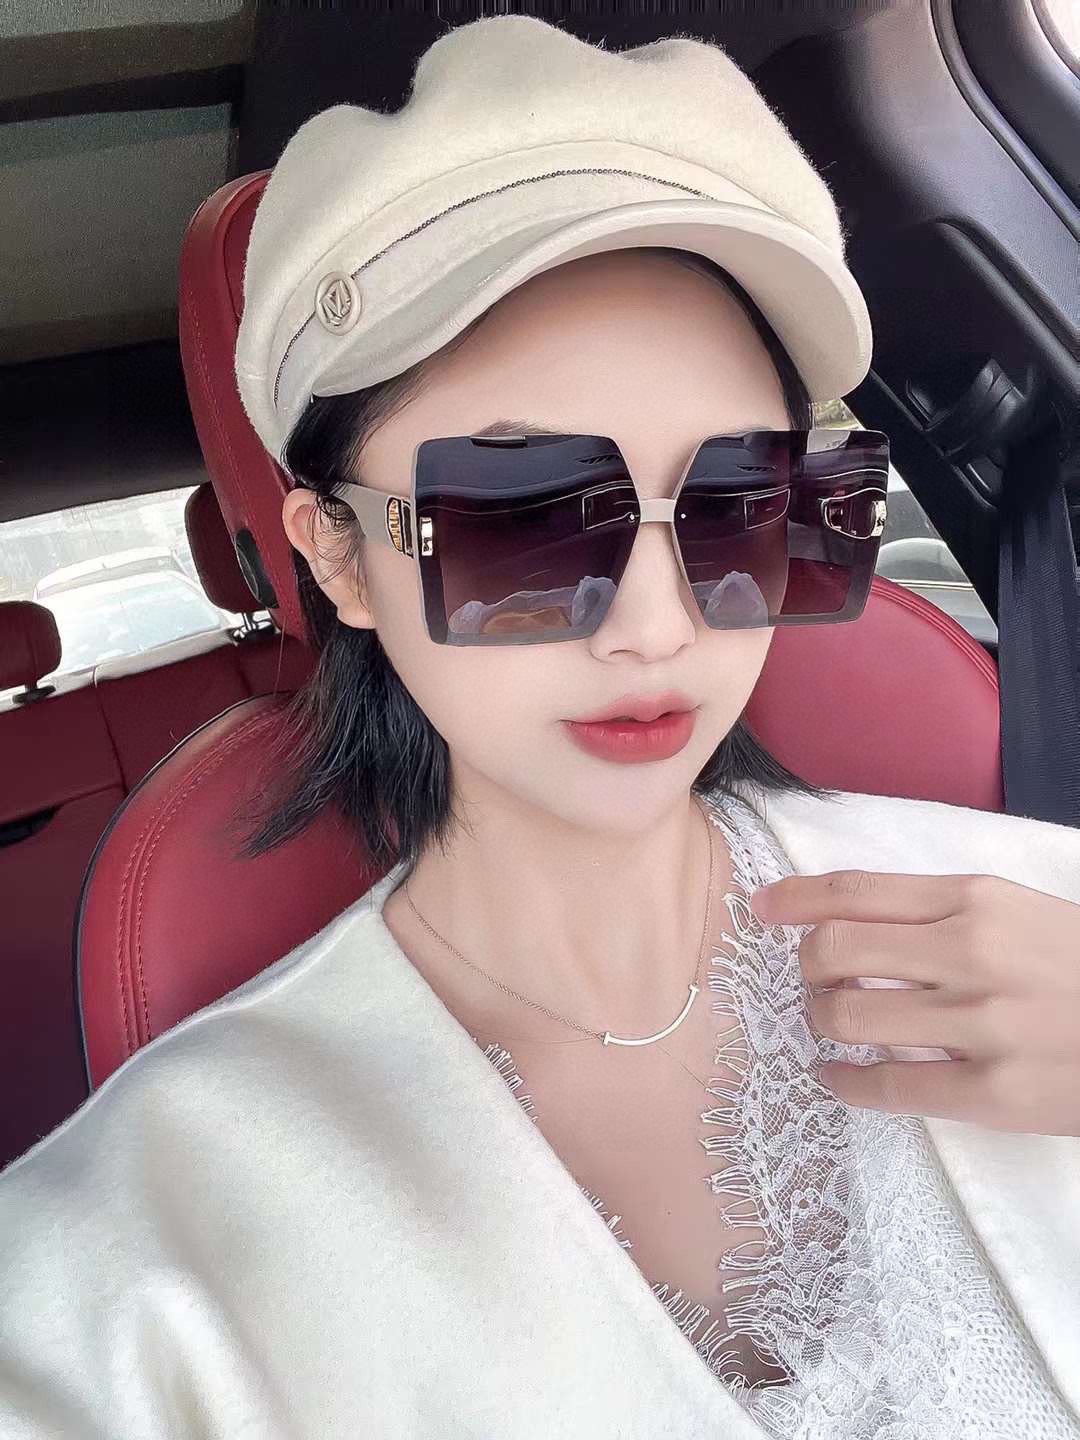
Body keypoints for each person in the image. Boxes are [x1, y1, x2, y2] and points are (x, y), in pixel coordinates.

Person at [2, 16, 1080, 1440]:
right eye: (518, 520)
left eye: (744, 504)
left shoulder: (1038, 908)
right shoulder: (130, 1269)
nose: (656, 626)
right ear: (340, 560)